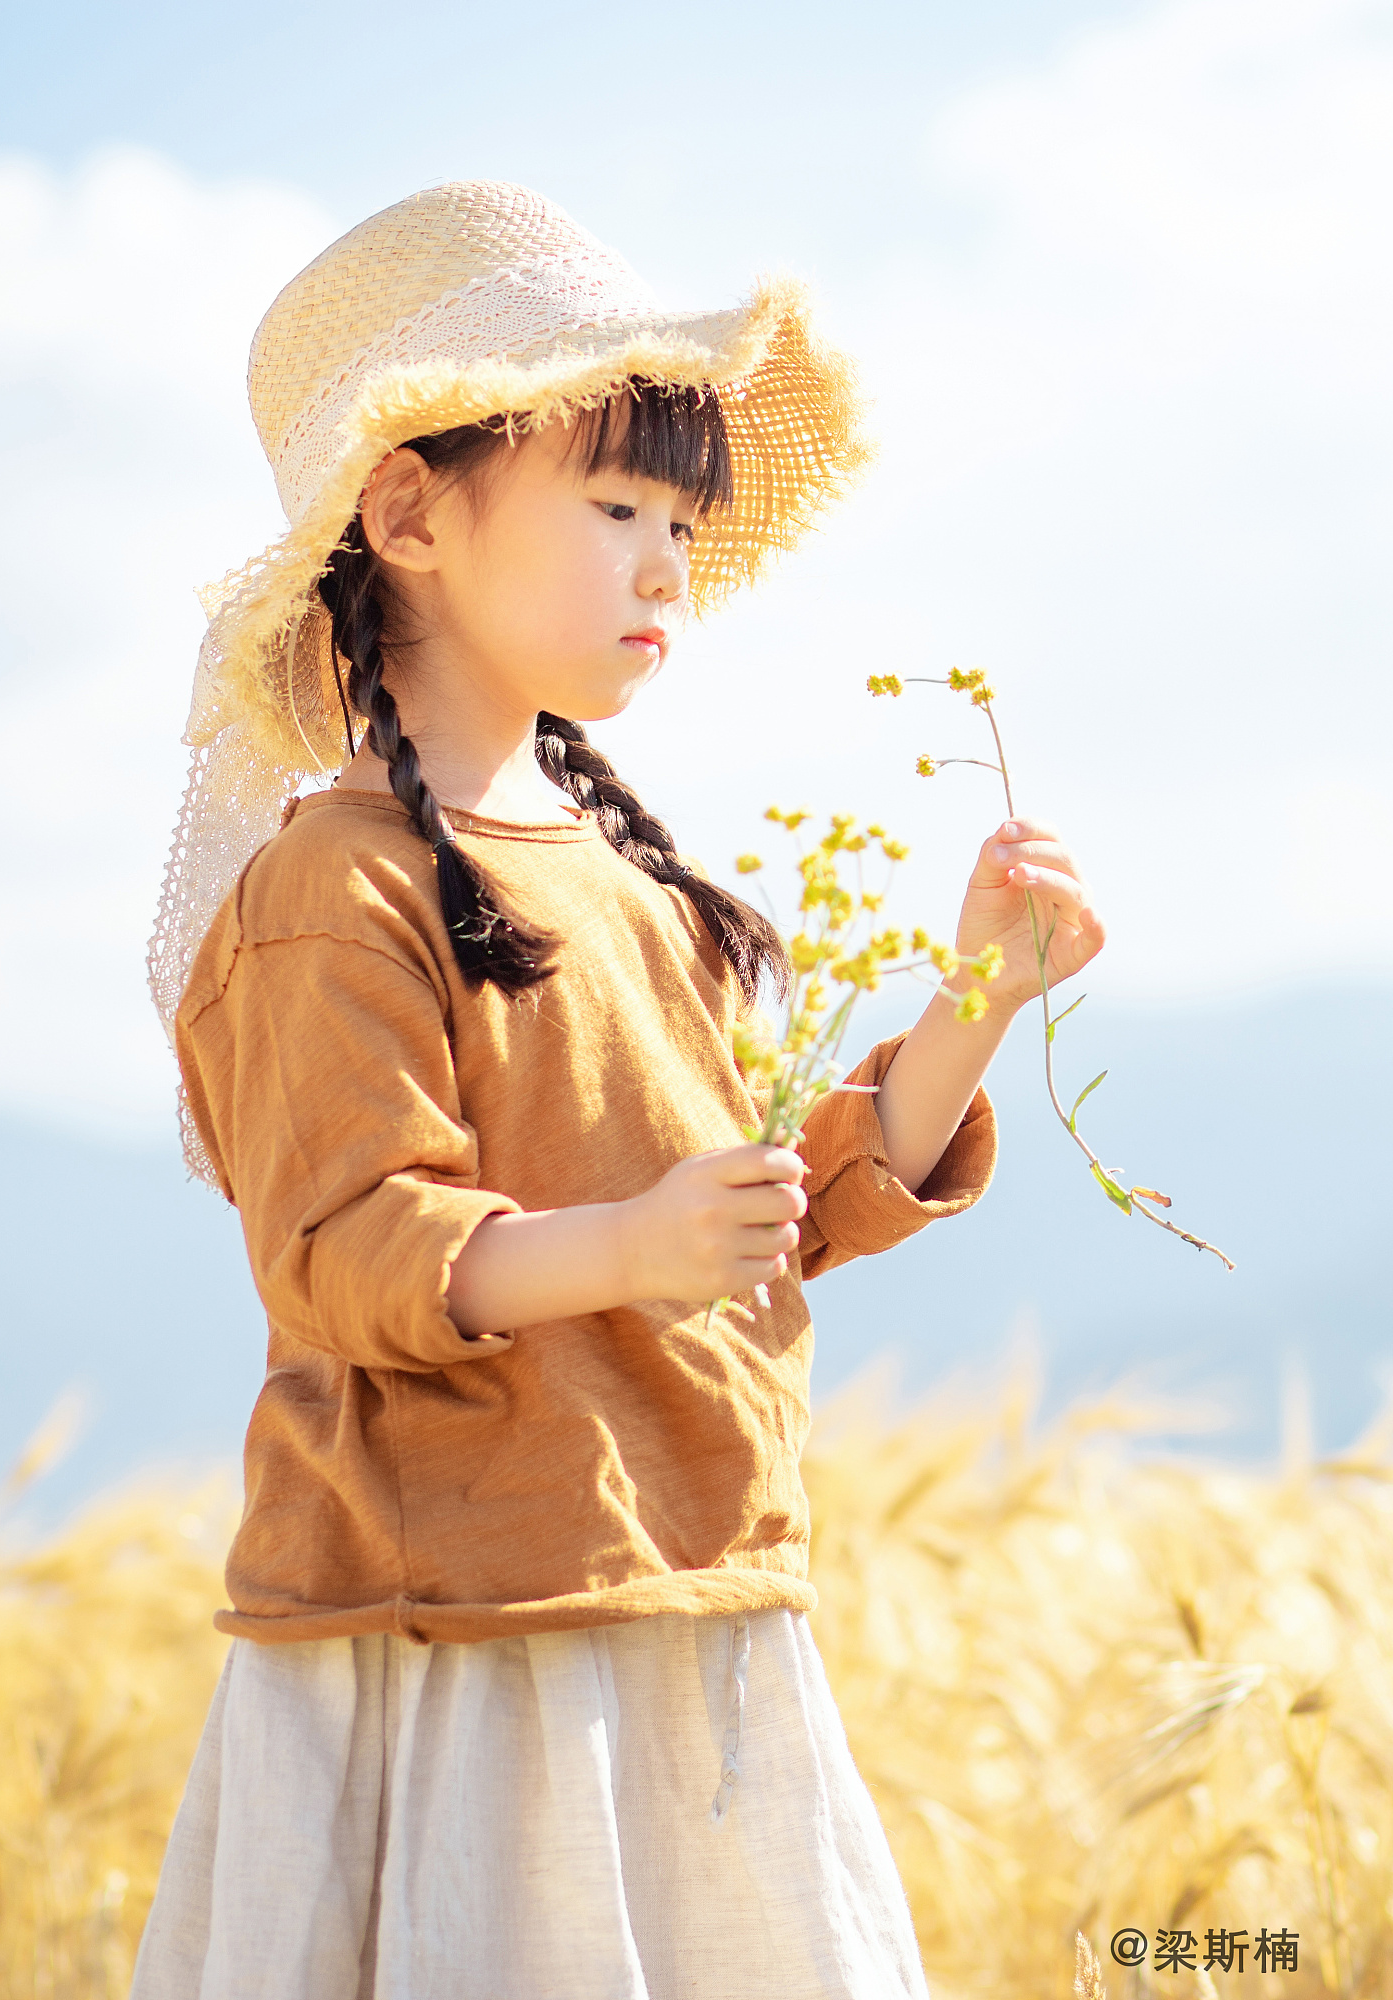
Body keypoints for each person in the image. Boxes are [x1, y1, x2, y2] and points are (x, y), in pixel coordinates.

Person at [129, 180, 1100, 1999]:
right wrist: (630, 1247)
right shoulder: (329, 891)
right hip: (474, 1643)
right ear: (410, 511)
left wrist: (980, 993)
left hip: (691, 1583)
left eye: (680, 517)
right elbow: (346, 1247)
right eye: (615, 506)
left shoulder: (630, 876)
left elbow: (759, 1226)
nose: (668, 565)